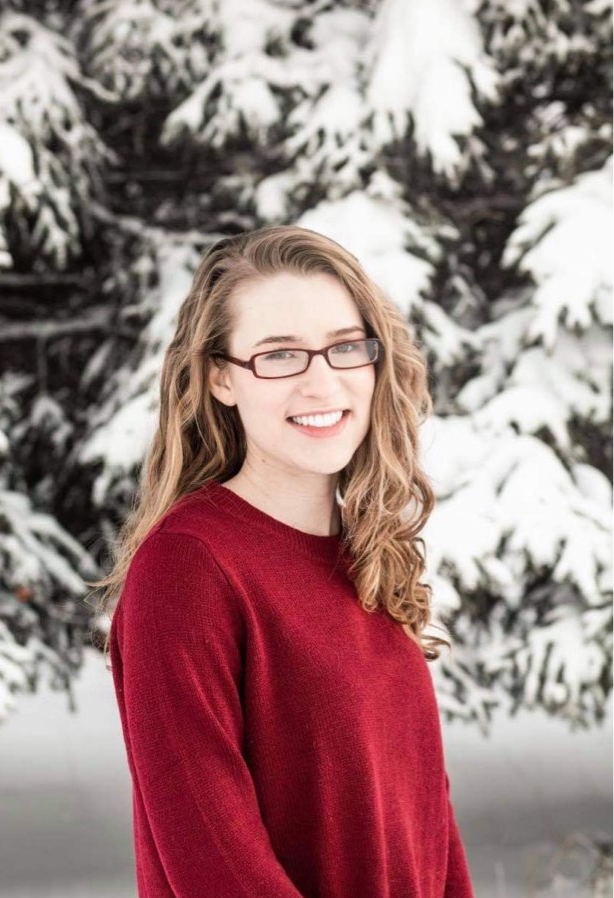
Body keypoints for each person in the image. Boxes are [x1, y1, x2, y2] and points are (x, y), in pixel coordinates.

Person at [92, 225, 475, 897]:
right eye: (279, 356)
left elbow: (428, 830)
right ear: (220, 378)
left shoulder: (368, 558)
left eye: (343, 349)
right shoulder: (187, 570)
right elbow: (215, 863)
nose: (321, 382)